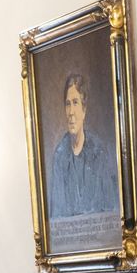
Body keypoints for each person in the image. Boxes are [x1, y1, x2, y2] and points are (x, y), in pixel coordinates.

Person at [46, 72, 118, 217]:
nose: (71, 112)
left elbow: (111, 208)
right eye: (67, 104)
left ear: (84, 110)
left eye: (75, 102)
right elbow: (57, 216)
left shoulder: (98, 152)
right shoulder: (60, 156)